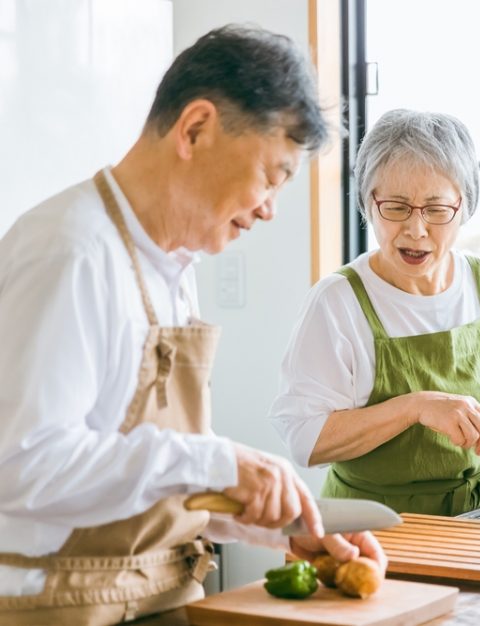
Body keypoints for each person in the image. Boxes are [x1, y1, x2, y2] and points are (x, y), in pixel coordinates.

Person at [0, 25, 385, 625]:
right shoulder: (70, 252)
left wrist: (278, 528)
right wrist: (217, 462)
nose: (269, 208)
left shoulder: (175, 269)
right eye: (272, 175)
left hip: (160, 595)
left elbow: (139, 482)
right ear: (196, 129)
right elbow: (22, 465)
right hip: (62, 608)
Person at [269, 109, 480, 516]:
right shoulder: (338, 302)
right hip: (372, 524)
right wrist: (416, 406)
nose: (416, 229)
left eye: (436, 208)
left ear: (464, 208)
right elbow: (306, 439)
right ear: (367, 204)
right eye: (396, 206)